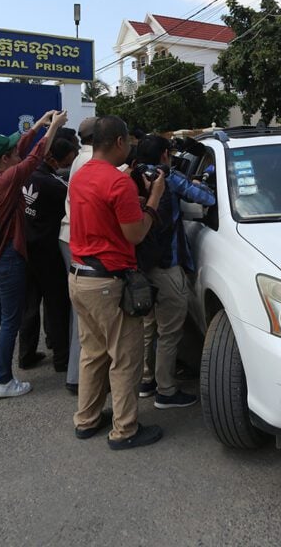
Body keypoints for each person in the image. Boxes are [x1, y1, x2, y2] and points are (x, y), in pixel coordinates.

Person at [67, 115, 165, 450]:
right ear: (120, 142)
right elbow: (135, 234)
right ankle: (125, 430)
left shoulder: (80, 176)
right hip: (109, 283)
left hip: (80, 277)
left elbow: (102, 217)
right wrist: (154, 199)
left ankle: (87, 419)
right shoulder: (118, 182)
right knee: (125, 358)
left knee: (92, 353)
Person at [0, 109, 67, 399]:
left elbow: (24, 149)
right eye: (12, 150)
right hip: (8, 259)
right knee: (10, 320)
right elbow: (35, 156)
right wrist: (53, 130)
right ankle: (3, 380)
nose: (18, 150)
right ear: (5, 159)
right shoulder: (10, 179)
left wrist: (40, 123)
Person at [133, 135, 215, 407]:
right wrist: (202, 179)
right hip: (167, 263)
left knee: (150, 325)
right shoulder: (169, 177)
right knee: (170, 331)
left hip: (142, 262)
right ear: (165, 155)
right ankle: (166, 391)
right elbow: (206, 199)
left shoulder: (132, 174)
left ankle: (146, 380)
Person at [17, 130, 79, 372]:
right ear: (56, 159)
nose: (72, 163)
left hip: (26, 249)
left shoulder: (27, 175)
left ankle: (26, 354)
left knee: (29, 305)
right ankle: (62, 359)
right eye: (70, 157)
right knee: (56, 305)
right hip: (48, 253)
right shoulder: (54, 184)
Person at [58, 116, 97, 395]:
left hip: (69, 237)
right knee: (86, 313)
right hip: (80, 240)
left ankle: (78, 375)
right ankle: (78, 378)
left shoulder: (80, 159)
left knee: (80, 310)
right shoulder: (93, 161)